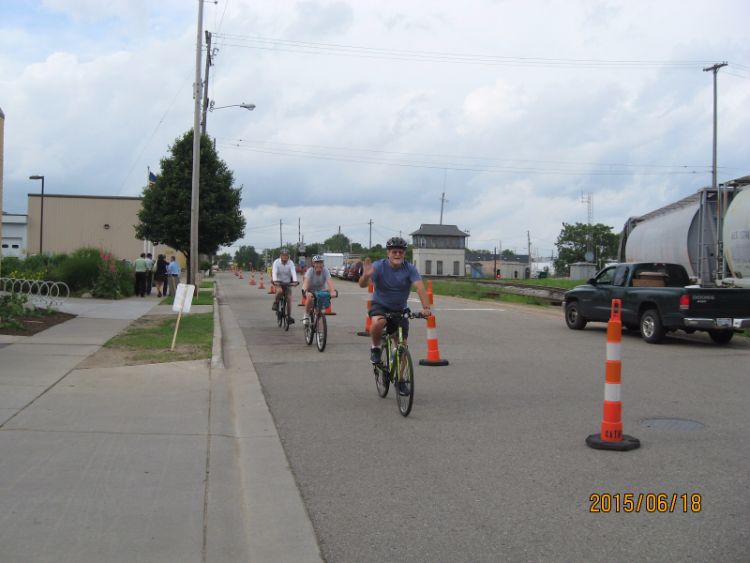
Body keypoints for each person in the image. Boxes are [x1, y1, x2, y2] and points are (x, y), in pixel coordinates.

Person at [358, 237, 431, 369]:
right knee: (378, 322)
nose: (397, 254)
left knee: (402, 348)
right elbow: (362, 284)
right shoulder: (378, 266)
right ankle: (375, 347)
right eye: (394, 252)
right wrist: (366, 275)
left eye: (400, 252)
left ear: (404, 254)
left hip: (400, 309)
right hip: (380, 305)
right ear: (388, 253)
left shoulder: (410, 269)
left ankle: (401, 380)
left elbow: (420, 288)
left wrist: (426, 308)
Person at [302, 255, 337, 325]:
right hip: (310, 290)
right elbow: (306, 282)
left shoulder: (325, 271)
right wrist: (306, 292)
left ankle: (319, 329)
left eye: (320, 263)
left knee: (320, 311)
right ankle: (306, 315)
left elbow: (329, 281)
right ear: (313, 264)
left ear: (323, 264)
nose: (319, 265)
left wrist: (333, 291)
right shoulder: (310, 271)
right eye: (316, 263)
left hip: (321, 291)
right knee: (309, 298)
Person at [271, 248, 298, 324]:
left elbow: (293, 272)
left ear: (288, 256)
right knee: (279, 291)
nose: (285, 257)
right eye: (283, 255)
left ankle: (289, 316)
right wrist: (275, 280)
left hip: (287, 282)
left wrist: (295, 281)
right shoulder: (276, 262)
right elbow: (274, 272)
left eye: (286, 255)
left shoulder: (291, 263)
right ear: (280, 256)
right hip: (278, 282)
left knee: (289, 299)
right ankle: (276, 302)